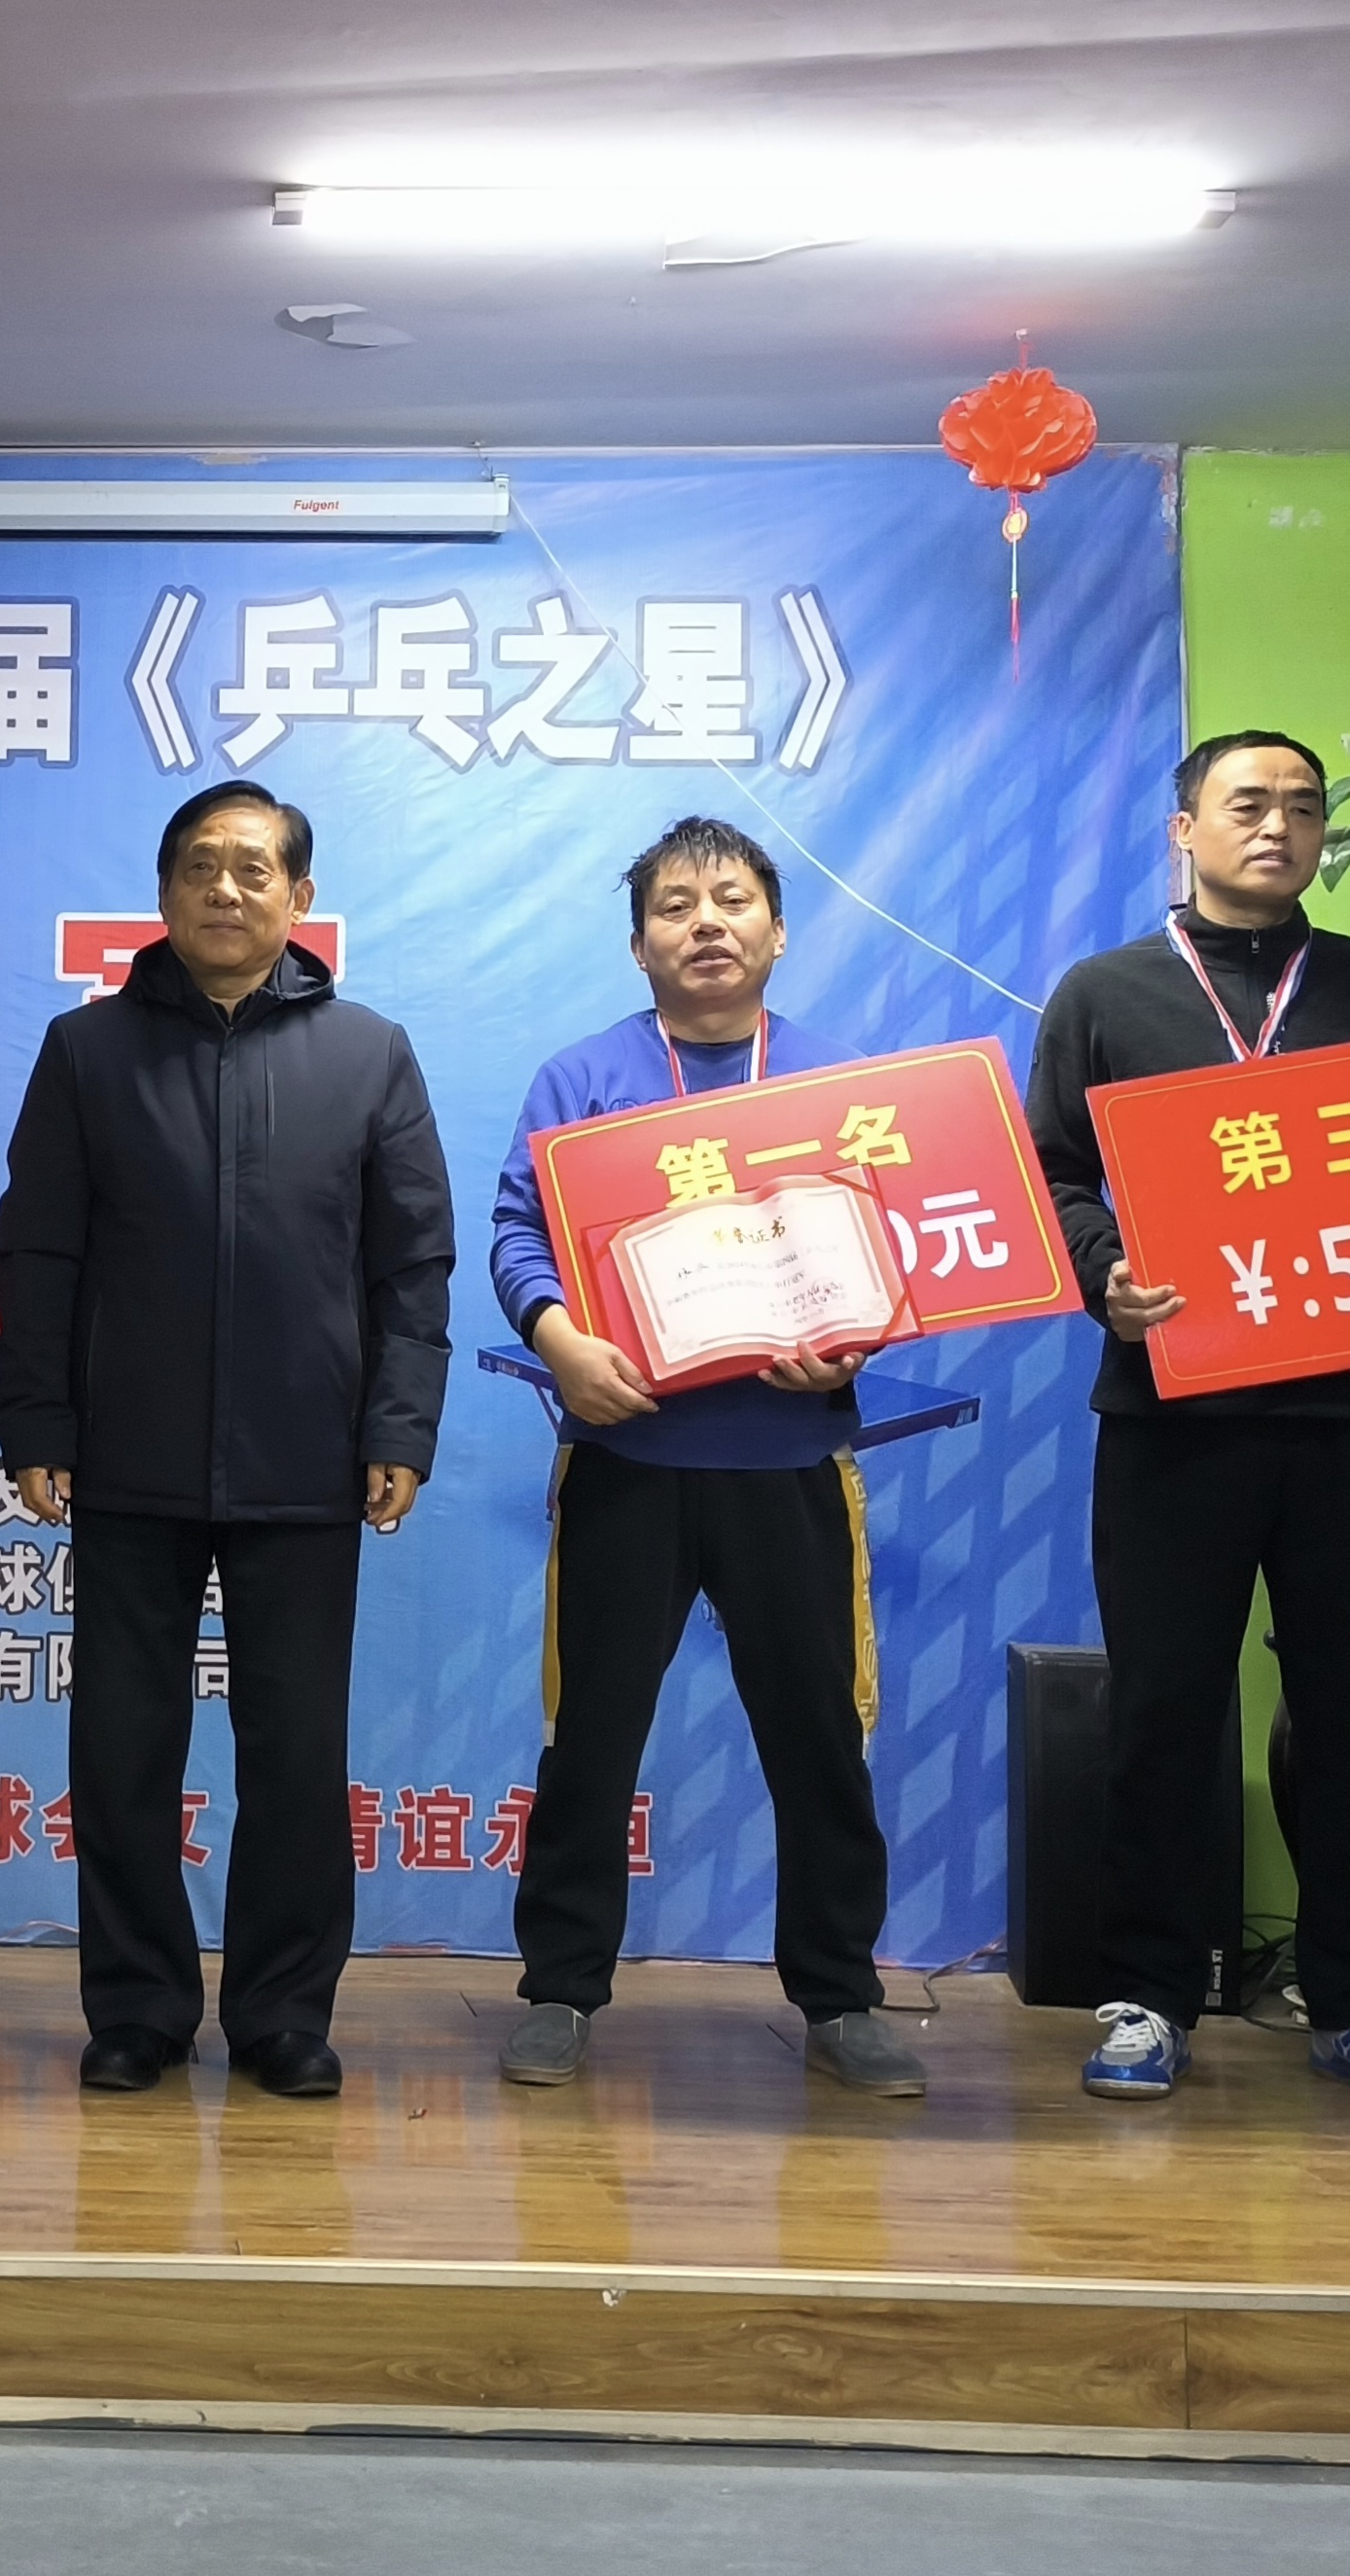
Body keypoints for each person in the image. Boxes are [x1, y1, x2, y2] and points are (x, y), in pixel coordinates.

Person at [1026, 729, 1350, 2108]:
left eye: (1302, 807)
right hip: (1177, 1412)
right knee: (1166, 1707)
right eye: (1247, 804)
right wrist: (1105, 1276)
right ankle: (1150, 1996)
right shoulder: (1105, 994)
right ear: (1185, 829)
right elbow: (1052, 1171)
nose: (1278, 826)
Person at [0, 779, 454, 2099]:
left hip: (307, 1460)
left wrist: (399, 1424)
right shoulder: (87, 1052)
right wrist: (36, 1419)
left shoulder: (369, 1053)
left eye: (255, 869)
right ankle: (137, 2008)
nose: (226, 889)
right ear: (164, 892)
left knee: (296, 1755)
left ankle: (282, 2014)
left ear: (300, 898)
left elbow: (411, 1263)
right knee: (121, 1751)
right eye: (200, 866)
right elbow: (38, 1251)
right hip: (124, 1459)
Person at [484, 816, 924, 2097]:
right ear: (640, 946)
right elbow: (519, 1232)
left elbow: (899, 1246)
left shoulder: (840, 1088)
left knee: (820, 1742)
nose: (707, 923)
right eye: (675, 906)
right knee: (591, 1738)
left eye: (732, 899)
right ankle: (560, 1988)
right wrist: (559, 1341)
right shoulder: (584, 1081)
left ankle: (840, 1996)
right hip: (627, 1458)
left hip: (790, 1461)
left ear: (779, 931)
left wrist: (852, 1345)